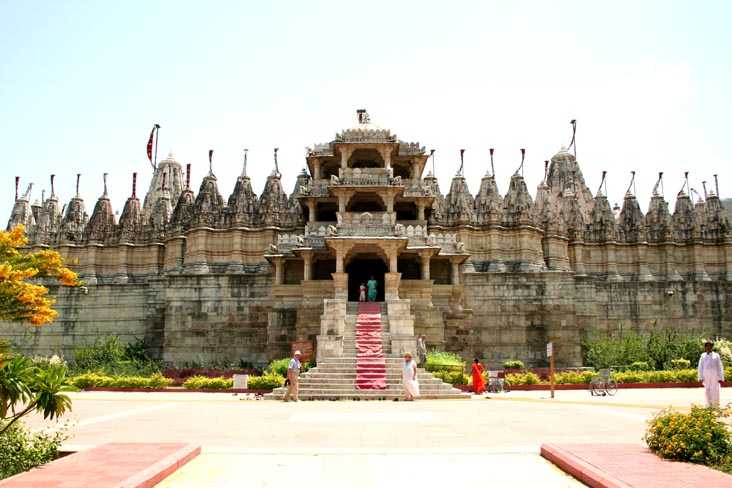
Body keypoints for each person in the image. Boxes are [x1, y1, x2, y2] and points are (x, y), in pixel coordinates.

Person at [698, 341, 724, 407]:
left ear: (712, 347)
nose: (708, 347)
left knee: (715, 390)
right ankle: (708, 405)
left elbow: (719, 366)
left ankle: (715, 405)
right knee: (707, 390)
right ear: (705, 347)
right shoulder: (703, 355)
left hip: (714, 376)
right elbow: (700, 367)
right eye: (707, 346)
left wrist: (721, 377)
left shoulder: (716, 355)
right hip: (706, 376)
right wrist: (700, 377)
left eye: (710, 346)